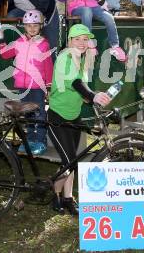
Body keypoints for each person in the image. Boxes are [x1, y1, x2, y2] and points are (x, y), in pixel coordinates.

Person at [47, 24, 111, 215]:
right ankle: (55, 195)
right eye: (77, 39)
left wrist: (94, 95)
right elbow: (75, 82)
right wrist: (92, 96)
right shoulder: (65, 57)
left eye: (85, 39)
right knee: (68, 163)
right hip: (58, 116)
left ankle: (68, 198)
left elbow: (80, 89)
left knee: (73, 159)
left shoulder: (80, 59)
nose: (82, 43)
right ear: (70, 41)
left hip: (74, 115)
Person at [0, 9, 53, 155]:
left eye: (35, 25)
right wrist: (0, 40)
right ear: (24, 26)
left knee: (39, 115)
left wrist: (48, 86)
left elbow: (48, 66)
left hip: (37, 86)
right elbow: (4, 54)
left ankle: (41, 142)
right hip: (23, 87)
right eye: (29, 25)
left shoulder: (44, 44)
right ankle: (30, 141)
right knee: (28, 115)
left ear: (41, 26)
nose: (32, 28)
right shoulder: (18, 42)